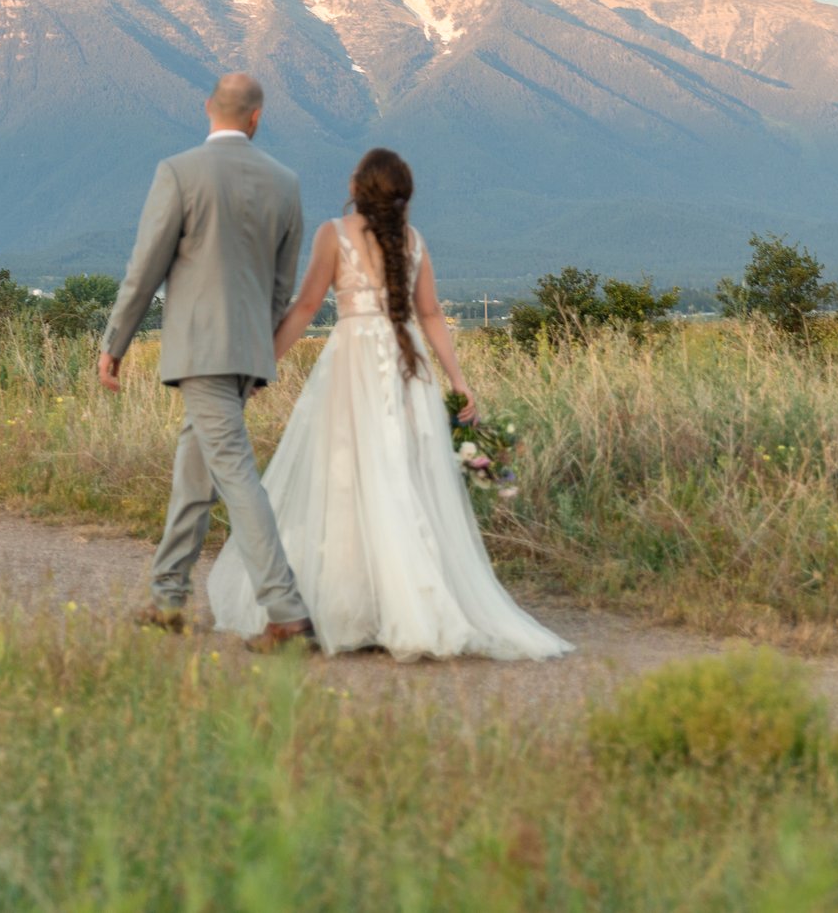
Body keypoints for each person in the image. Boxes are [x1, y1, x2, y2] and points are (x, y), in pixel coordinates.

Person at [208, 147, 572, 661]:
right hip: (410, 370)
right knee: (404, 480)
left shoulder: (334, 234)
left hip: (353, 364)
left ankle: (354, 607)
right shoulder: (414, 241)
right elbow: (432, 314)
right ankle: (405, 606)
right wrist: (458, 380)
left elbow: (307, 306)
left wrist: (262, 363)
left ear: (359, 187)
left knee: (345, 480)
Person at [96, 72, 316, 652]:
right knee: (195, 470)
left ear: (206, 110)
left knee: (236, 476)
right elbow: (282, 284)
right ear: (256, 117)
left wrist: (115, 341)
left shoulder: (179, 173)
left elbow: (146, 269)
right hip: (246, 351)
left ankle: (287, 612)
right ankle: (168, 597)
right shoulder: (286, 182)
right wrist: (260, 353)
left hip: (199, 351)